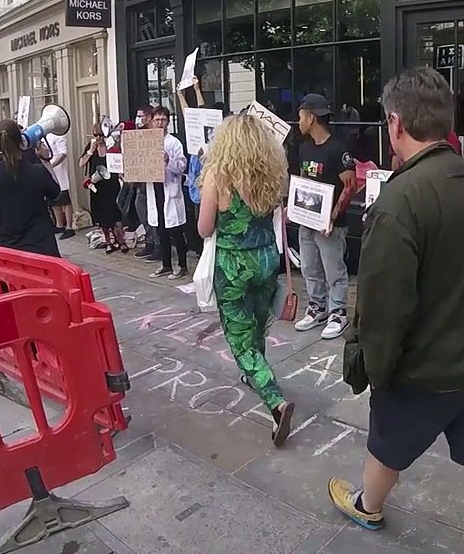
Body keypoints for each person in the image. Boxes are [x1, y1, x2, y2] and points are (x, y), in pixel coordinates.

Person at [329, 67, 464, 554]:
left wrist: (377, 368)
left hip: (421, 372)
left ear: (395, 124)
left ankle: (368, 507)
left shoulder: (398, 199)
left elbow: (383, 304)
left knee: (386, 449)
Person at [196, 114, 296, 445]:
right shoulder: (270, 174)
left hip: (233, 265)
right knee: (257, 324)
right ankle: (256, 374)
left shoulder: (217, 176)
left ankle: (276, 402)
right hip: (267, 259)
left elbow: (204, 228)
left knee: (239, 338)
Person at [291, 93, 356, 340]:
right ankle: (317, 307)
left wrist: (333, 216)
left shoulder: (338, 149)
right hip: (306, 220)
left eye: (301, 116)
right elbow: (303, 183)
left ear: (311, 117)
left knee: (334, 270)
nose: (298, 121)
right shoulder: (303, 148)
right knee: (309, 267)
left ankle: (337, 312)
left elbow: (350, 185)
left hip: (331, 225)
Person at [0, 121, 62, 257]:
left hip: (3, 249)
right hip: (39, 249)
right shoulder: (37, 171)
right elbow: (55, 193)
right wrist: (45, 160)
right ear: (21, 140)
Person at [146, 106, 190, 279]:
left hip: (170, 190)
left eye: (163, 119)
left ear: (168, 122)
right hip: (155, 188)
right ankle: (166, 265)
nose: (159, 122)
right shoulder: (147, 141)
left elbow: (182, 166)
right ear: (152, 121)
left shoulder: (174, 143)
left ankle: (182, 265)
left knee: (176, 231)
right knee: (161, 230)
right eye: (157, 119)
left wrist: (168, 160)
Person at [79, 125, 127, 253]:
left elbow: (118, 162)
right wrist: (90, 151)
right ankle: (108, 241)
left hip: (111, 184)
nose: (99, 138)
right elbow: (81, 163)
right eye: (96, 135)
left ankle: (120, 240)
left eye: (101, 135)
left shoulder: (111, 146)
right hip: (97, 184)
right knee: (103, 217)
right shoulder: (91, 147)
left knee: (116, 215)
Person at [130, 106, 160, 261]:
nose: (138, 119)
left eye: (141, 116)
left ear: (149, 117)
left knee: (153, 213)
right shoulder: (138, 134)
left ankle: (158, 245)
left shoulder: (154, 134)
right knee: (142, 210)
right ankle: (149, 242)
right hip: (141, 182)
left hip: (153, 181)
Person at [44, 130, 75, 239]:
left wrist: (52, 164)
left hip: (58, 169)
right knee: (54, 199)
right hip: (49, 171)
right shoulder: (44, 136)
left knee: (64, 198)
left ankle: (69, 227)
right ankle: (59, 224)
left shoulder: (59, 135)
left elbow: (63, 153)